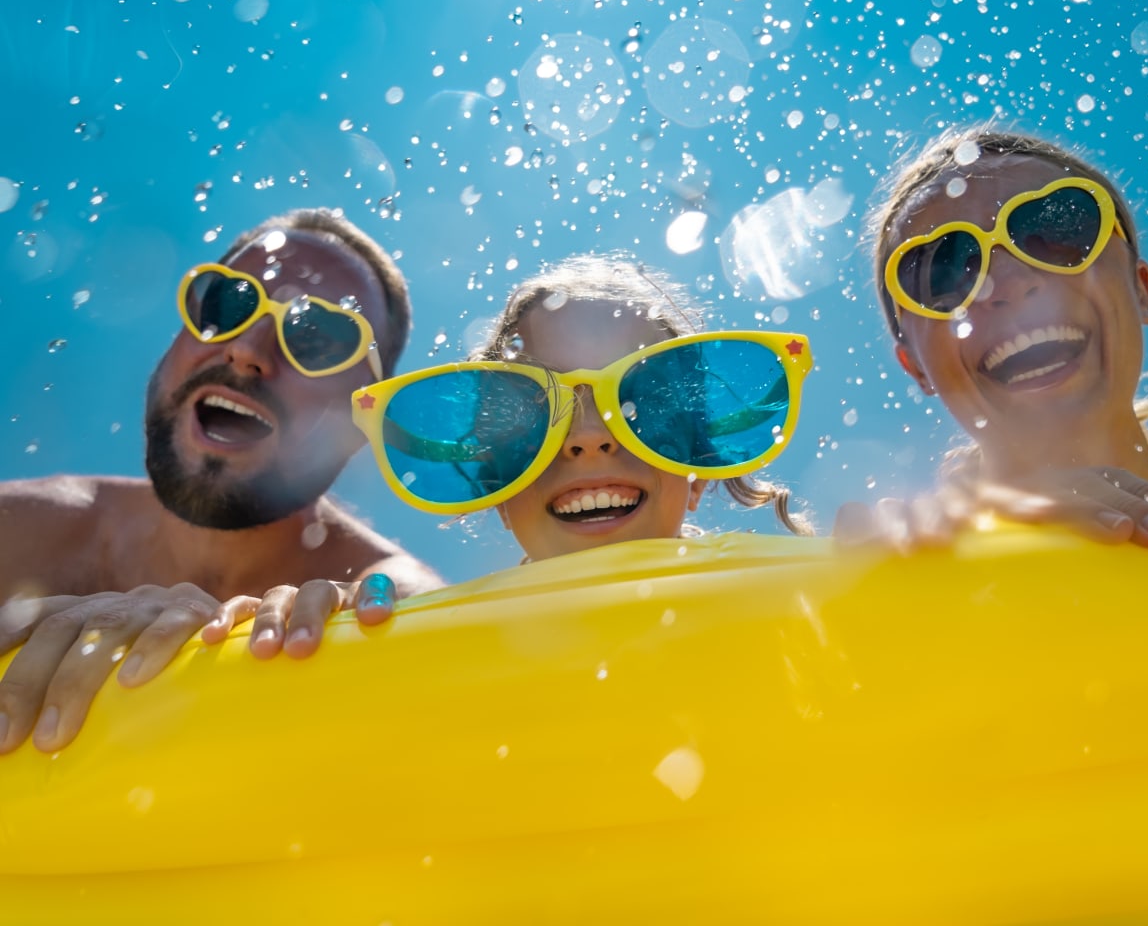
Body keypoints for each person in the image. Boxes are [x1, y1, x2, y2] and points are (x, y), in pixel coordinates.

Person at [0, 207, 444, 754]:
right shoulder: (19, 533)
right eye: (225, 305)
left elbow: (418, 613)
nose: (247, 349)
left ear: (362, 421)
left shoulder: (375, 585)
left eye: (318, 337)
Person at [848, 125, 1148, 547]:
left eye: (1056, 232)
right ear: (916, 367)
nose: (1009, 282)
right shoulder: (920, 567)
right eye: (943, 270)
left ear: (1140, 289)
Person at [350, 253, 814, 560]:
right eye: (533, 415)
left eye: (643, 405)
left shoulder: (792, 614)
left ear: (695, 473)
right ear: (501, 496)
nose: (589, 437)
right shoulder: (446, 661)